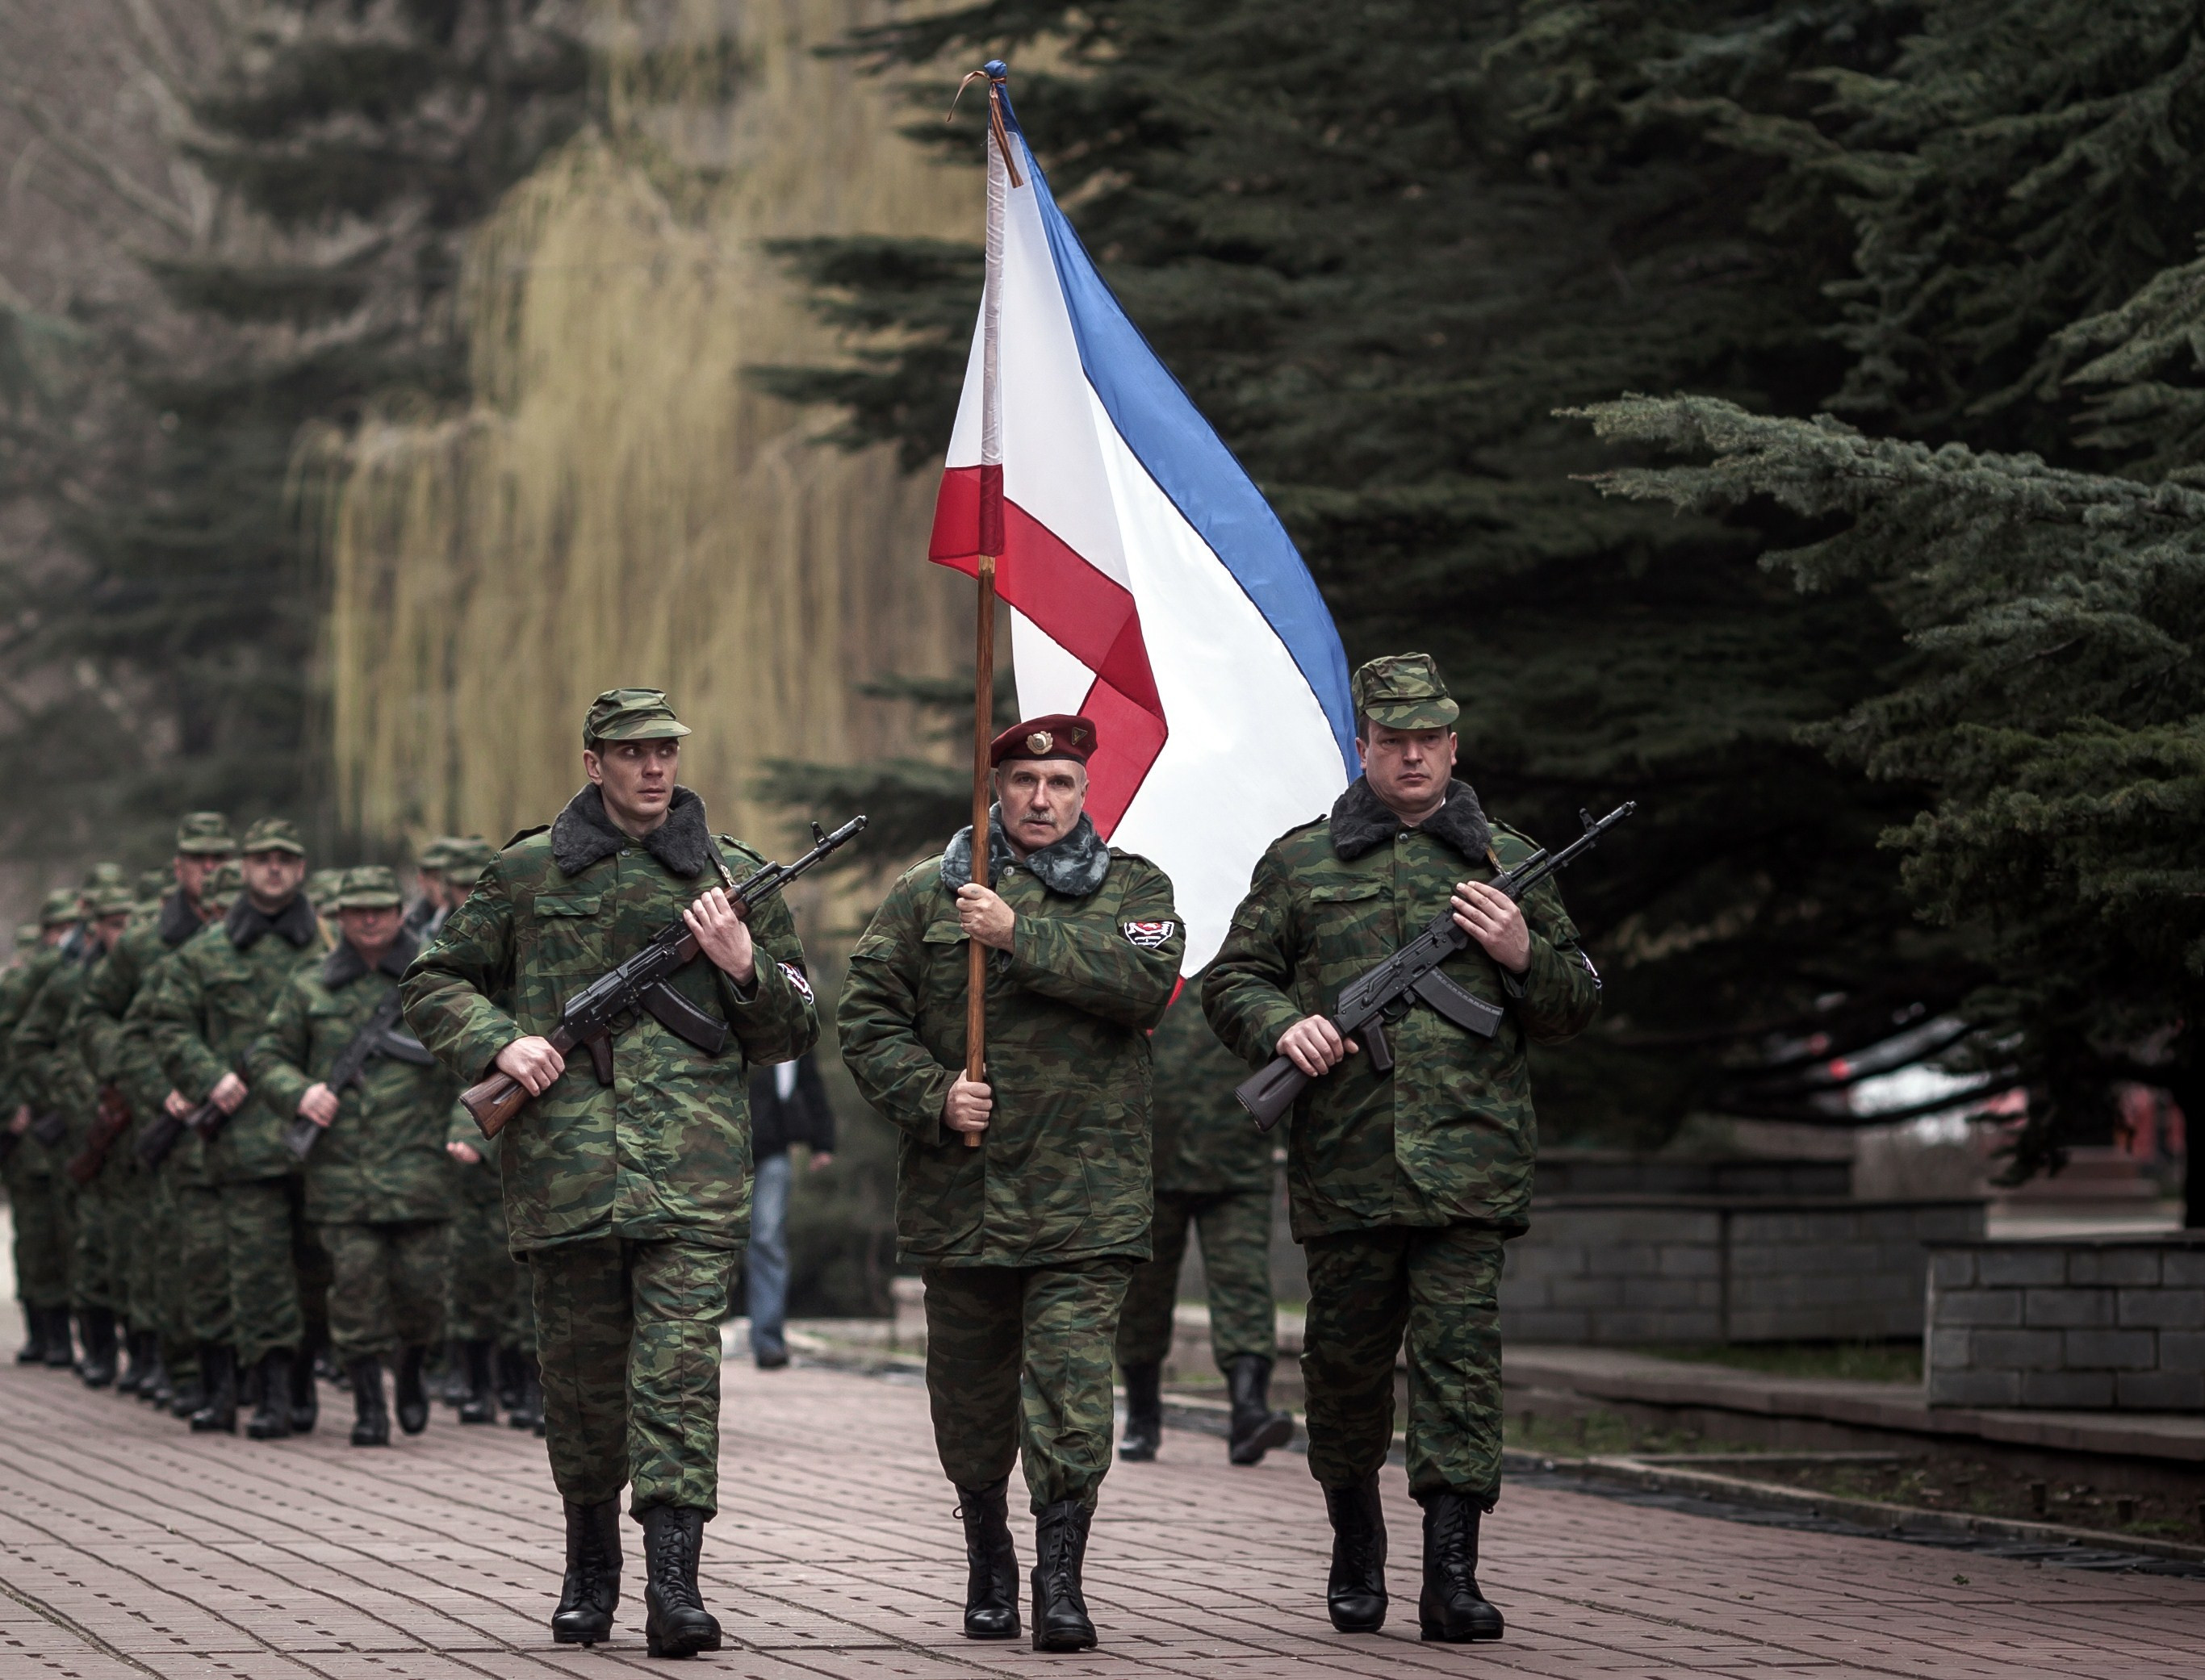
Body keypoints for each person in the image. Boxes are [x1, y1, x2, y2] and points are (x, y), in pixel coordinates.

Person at [402, 687, 818, 1657]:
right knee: (584, 1388)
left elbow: (794, 1023)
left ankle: (675, 1587)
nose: (653, 768)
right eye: (631, 752)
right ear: (593, 763)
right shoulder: (525, 872)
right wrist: (501, 1044)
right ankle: (589, 1566)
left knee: (677, 1379)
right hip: (565, 1174)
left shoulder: (733, 876)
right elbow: (433, 979)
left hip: (692, 1178)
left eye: (665, 750)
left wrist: (742, 960)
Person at [1203, 654, 1602, 1644]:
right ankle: (1353, 1546)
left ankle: (1452, 1576)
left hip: (1468, 1170)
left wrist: (1517, 954)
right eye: (1393, 740)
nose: (1412, 754)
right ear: (1364, 747)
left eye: (1428, 739)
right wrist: (1280, 1027)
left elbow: (1574, 1000)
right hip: (1347, 1167)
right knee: (1341, 1370)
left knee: (1460, 1369)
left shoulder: (1507, 861)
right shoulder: (1301, 863)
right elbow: (1230, 979)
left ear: (1453, 746)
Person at [838, 714, 1182, 1653]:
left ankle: (1059, 1581)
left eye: (1061, 784)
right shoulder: (926, 896)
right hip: (966, 1200)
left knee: (1070, 1394)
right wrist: (935, 1095)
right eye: (1026, 785)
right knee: (971, 1402)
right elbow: (865, 1022)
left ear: (1083, 793)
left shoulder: (1134, 887)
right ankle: (987, 1555)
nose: (1041, 800)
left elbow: (1145, 985)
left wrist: (1022, 935)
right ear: (997, 790)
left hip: (1086, 1201)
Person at [249, 866, 454, 1447]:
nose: (370, 919)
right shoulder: (308, 986)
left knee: (422, 1291)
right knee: (355, 1290)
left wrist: (466, 1126)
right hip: (341, 1174)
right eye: (357, 910)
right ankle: (369, 1405)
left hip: (418, 1169)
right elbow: (267, 1056)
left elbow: (475, 1057)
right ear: (337, 919)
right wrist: (300, 1092)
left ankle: (412, 1366)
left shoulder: (434, 980)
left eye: (381, 909)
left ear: (399, 913)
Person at [140, 817, 327, 1438]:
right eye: (263, 858)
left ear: (300, 871)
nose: (274, 867)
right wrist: (206, 1077)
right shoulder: (206, 952)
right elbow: (166, 1024)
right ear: (244, 870)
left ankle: (301, 1388)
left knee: (313, 1272)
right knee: (249, 1271)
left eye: (286, 858)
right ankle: (256, 1394)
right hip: (242, 1142)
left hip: (317, 1142)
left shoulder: (327, 953)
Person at [79, 812, 238, 1410]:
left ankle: (252, 1376)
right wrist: (151, 1085)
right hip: (171, 1125)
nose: (212, 869)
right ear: (179, 868)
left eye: (222, 858)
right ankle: (184, 1370)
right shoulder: (146, 945)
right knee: (175, 1254)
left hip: (250, 1117)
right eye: (201, 860)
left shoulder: (260, 937)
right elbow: (95, 1018)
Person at [1114, 984, 1293, 1465]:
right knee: (1141, 1297)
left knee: (1245, 1288)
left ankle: (1249, 1412)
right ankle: (1143, 1415)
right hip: (1149, 1162)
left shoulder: (1248, 953)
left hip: (1238, 1160)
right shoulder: (1148, 940)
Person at [10, 879, 138, 1386]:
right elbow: (26, 1043)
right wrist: (61, 1095)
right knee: (82, 1239)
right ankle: (90, 1345)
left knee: (139, 1244)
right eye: (113, 925)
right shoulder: (66, 982)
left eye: (131, 924)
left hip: (138, 1128)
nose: (123, 935)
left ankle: (149, 1354)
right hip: (82, 1132)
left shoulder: (150, 975)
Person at [2, 888, 92, 1369]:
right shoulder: (26, 984)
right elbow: (13, 1047)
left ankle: (77, 1330)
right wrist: (10, 1107)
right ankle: (45, 1328)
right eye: (57, 930)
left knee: (70, 1232)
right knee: (36, 1234)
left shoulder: (85, 977)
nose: (66, 939)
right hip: (30, 1132)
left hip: (71, 1124)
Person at [743, 1053, 835, 1369]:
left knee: (767, 1240)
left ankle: (768, 1342)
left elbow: (809, 1082)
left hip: (771, 1149)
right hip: (712, 1148)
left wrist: (823, 1141)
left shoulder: (784, 1019)